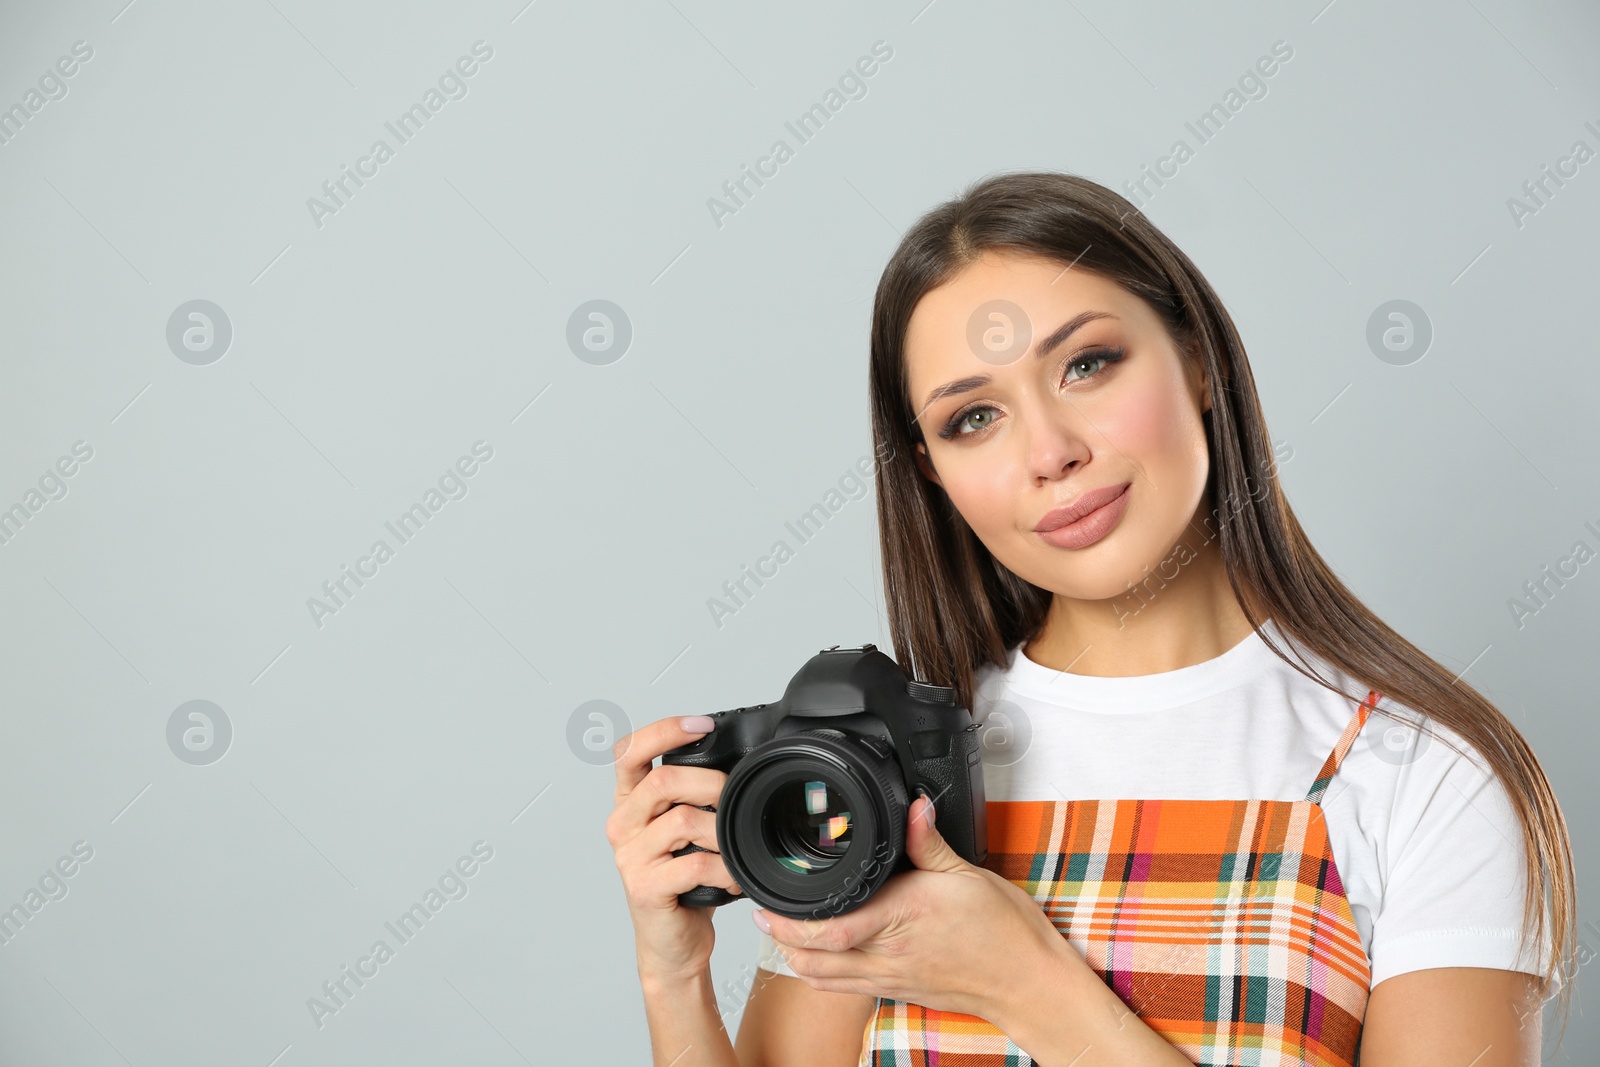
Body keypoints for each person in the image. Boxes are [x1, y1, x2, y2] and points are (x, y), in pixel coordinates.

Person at [605, 171, 1577, 1066]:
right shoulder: (884, 764)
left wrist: (1029, 986)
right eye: (972, 418)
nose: (1051, 450)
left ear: (1196, 361)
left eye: (1087, 364)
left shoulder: (1419, 778)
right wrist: (672, 974)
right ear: (932, 474)